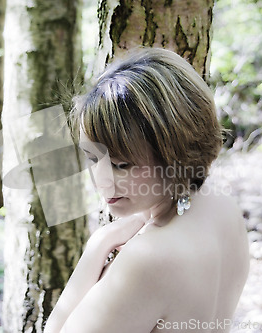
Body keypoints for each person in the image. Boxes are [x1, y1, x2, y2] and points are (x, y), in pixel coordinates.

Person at [44, 47, 249, 333]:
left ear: (174, 152)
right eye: (92, 158)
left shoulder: (148, 257)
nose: (101, 181)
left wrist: (96, 248)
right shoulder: (223, 209)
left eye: (121, 164)